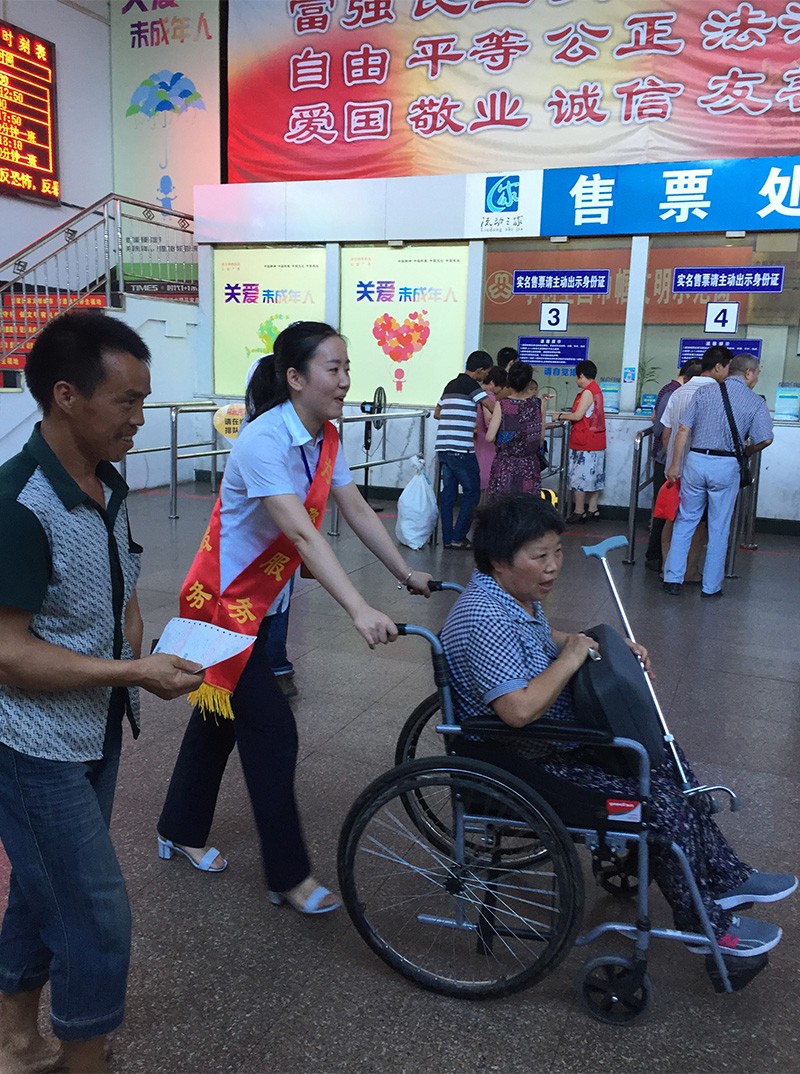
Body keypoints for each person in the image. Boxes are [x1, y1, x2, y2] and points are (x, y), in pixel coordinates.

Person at [440, 494, 796, 958]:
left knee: (665, 757)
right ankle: (705, 927)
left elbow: (546, 638)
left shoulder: (513, 598)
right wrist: (571, 658)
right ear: (498, 561)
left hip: (553, 744)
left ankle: (724, 876)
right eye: (539, 556)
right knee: (656, 802)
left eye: (557, 552)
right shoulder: (485, 617)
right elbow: (518, 711)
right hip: (520, 763)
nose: (553, 566)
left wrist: (595, 645)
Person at [157, 321, 432, 914]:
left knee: (219, 718)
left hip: (265, 600)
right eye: (334, 368)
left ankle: (178, 827)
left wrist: (403, 572)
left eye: (346, 367)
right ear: (295, 378)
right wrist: (358, 609)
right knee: (273, 731)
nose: (346, 380)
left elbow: (356, 508)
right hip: (224, 605)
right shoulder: (263, 441)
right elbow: (304, 535)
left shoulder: (326, 436)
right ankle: (289, 875)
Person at [0, 311, 204, 1074]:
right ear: (66, 396)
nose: (140, 419)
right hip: (31, 748)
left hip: (96, 730)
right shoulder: (18, 504)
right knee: (96, 915)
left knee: (42, 891)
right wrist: (130, 673)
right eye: (127, 401)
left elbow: (121, 583)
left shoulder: (106, 483)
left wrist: (141, 644)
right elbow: (7, 653)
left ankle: (15, 1040)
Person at [663, 353, 773, 598]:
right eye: (757, 373)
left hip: (696, 461)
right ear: (748, 373)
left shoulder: (704, 392)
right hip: (726, 465)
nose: (756, 378)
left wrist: (675, 465)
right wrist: (747, 451)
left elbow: (683, 429)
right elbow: (765, 438)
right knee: (719, 527)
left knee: (685, 520)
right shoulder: (755, 401)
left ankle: (672, 579)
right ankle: (710, 587)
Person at [659, 348, 732, 583]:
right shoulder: (717, 394)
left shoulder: (678, 393)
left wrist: (672, 462)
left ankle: (667, 568)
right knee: (698, 523)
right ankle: (689, 571)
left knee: (672, 519)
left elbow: (666, 432)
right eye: (728, 367)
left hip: (674, 467)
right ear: (718, 367)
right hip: (700, 466)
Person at [645, 360, 701, 572]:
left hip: (670, 461)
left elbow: (658, 423)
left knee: (669, 512)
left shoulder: (671, 391)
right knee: (667, 513)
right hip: (668, 462)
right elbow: (661, 429)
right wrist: (673, 460)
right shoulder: (673, 393)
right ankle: (658, 558)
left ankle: (665, 561)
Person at [433, 349, 493, 550]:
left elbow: (437, 413)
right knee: (473, 492)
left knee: (448, 494)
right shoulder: (472, 385)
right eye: (486, 372)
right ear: (479, 370)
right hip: (461, 449)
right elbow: (491, 407)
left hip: (443, 447)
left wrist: (456, 418)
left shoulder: (451, 384)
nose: (486, 376)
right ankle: (459, 537)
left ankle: (448, 538)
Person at [485, 361, 545, 501]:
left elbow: (489, 437)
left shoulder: (503, 404)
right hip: (529, 465)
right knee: (526, 505)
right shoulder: (538, 404)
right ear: (529, 382)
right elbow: (541, 438)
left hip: (505, 465)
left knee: (503, 505)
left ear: (509, 380)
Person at [555, 359, 606, 523]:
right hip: (597, 440)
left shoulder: (588, 392)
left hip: (584, 441)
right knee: (595, 476)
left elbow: (578, 416)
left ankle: (579, 511)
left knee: (578, 476)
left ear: (581, 375)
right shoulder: (597, 390)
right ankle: (592, 509)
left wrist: (560, 415)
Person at [475, 365, 507, 496]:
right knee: (486, 483)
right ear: (493, 383)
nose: (501, 390)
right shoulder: (488, 396)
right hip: (486, 444)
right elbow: (489, 421)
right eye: (501, 386)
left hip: (476, 442)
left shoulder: (475, 394)